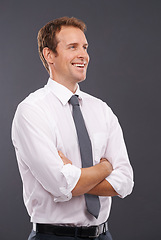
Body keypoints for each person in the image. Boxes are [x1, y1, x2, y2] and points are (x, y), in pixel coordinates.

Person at [11, 17, 134, 240]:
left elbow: (125, 181)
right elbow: (60, 185)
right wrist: (105, 169)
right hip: (52, 237)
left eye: (85, 47)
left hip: (104, 235)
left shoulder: (101, 110)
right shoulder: (31, 111)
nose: (83, 55)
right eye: (72, 47)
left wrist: (76, 175)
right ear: (50, 55)